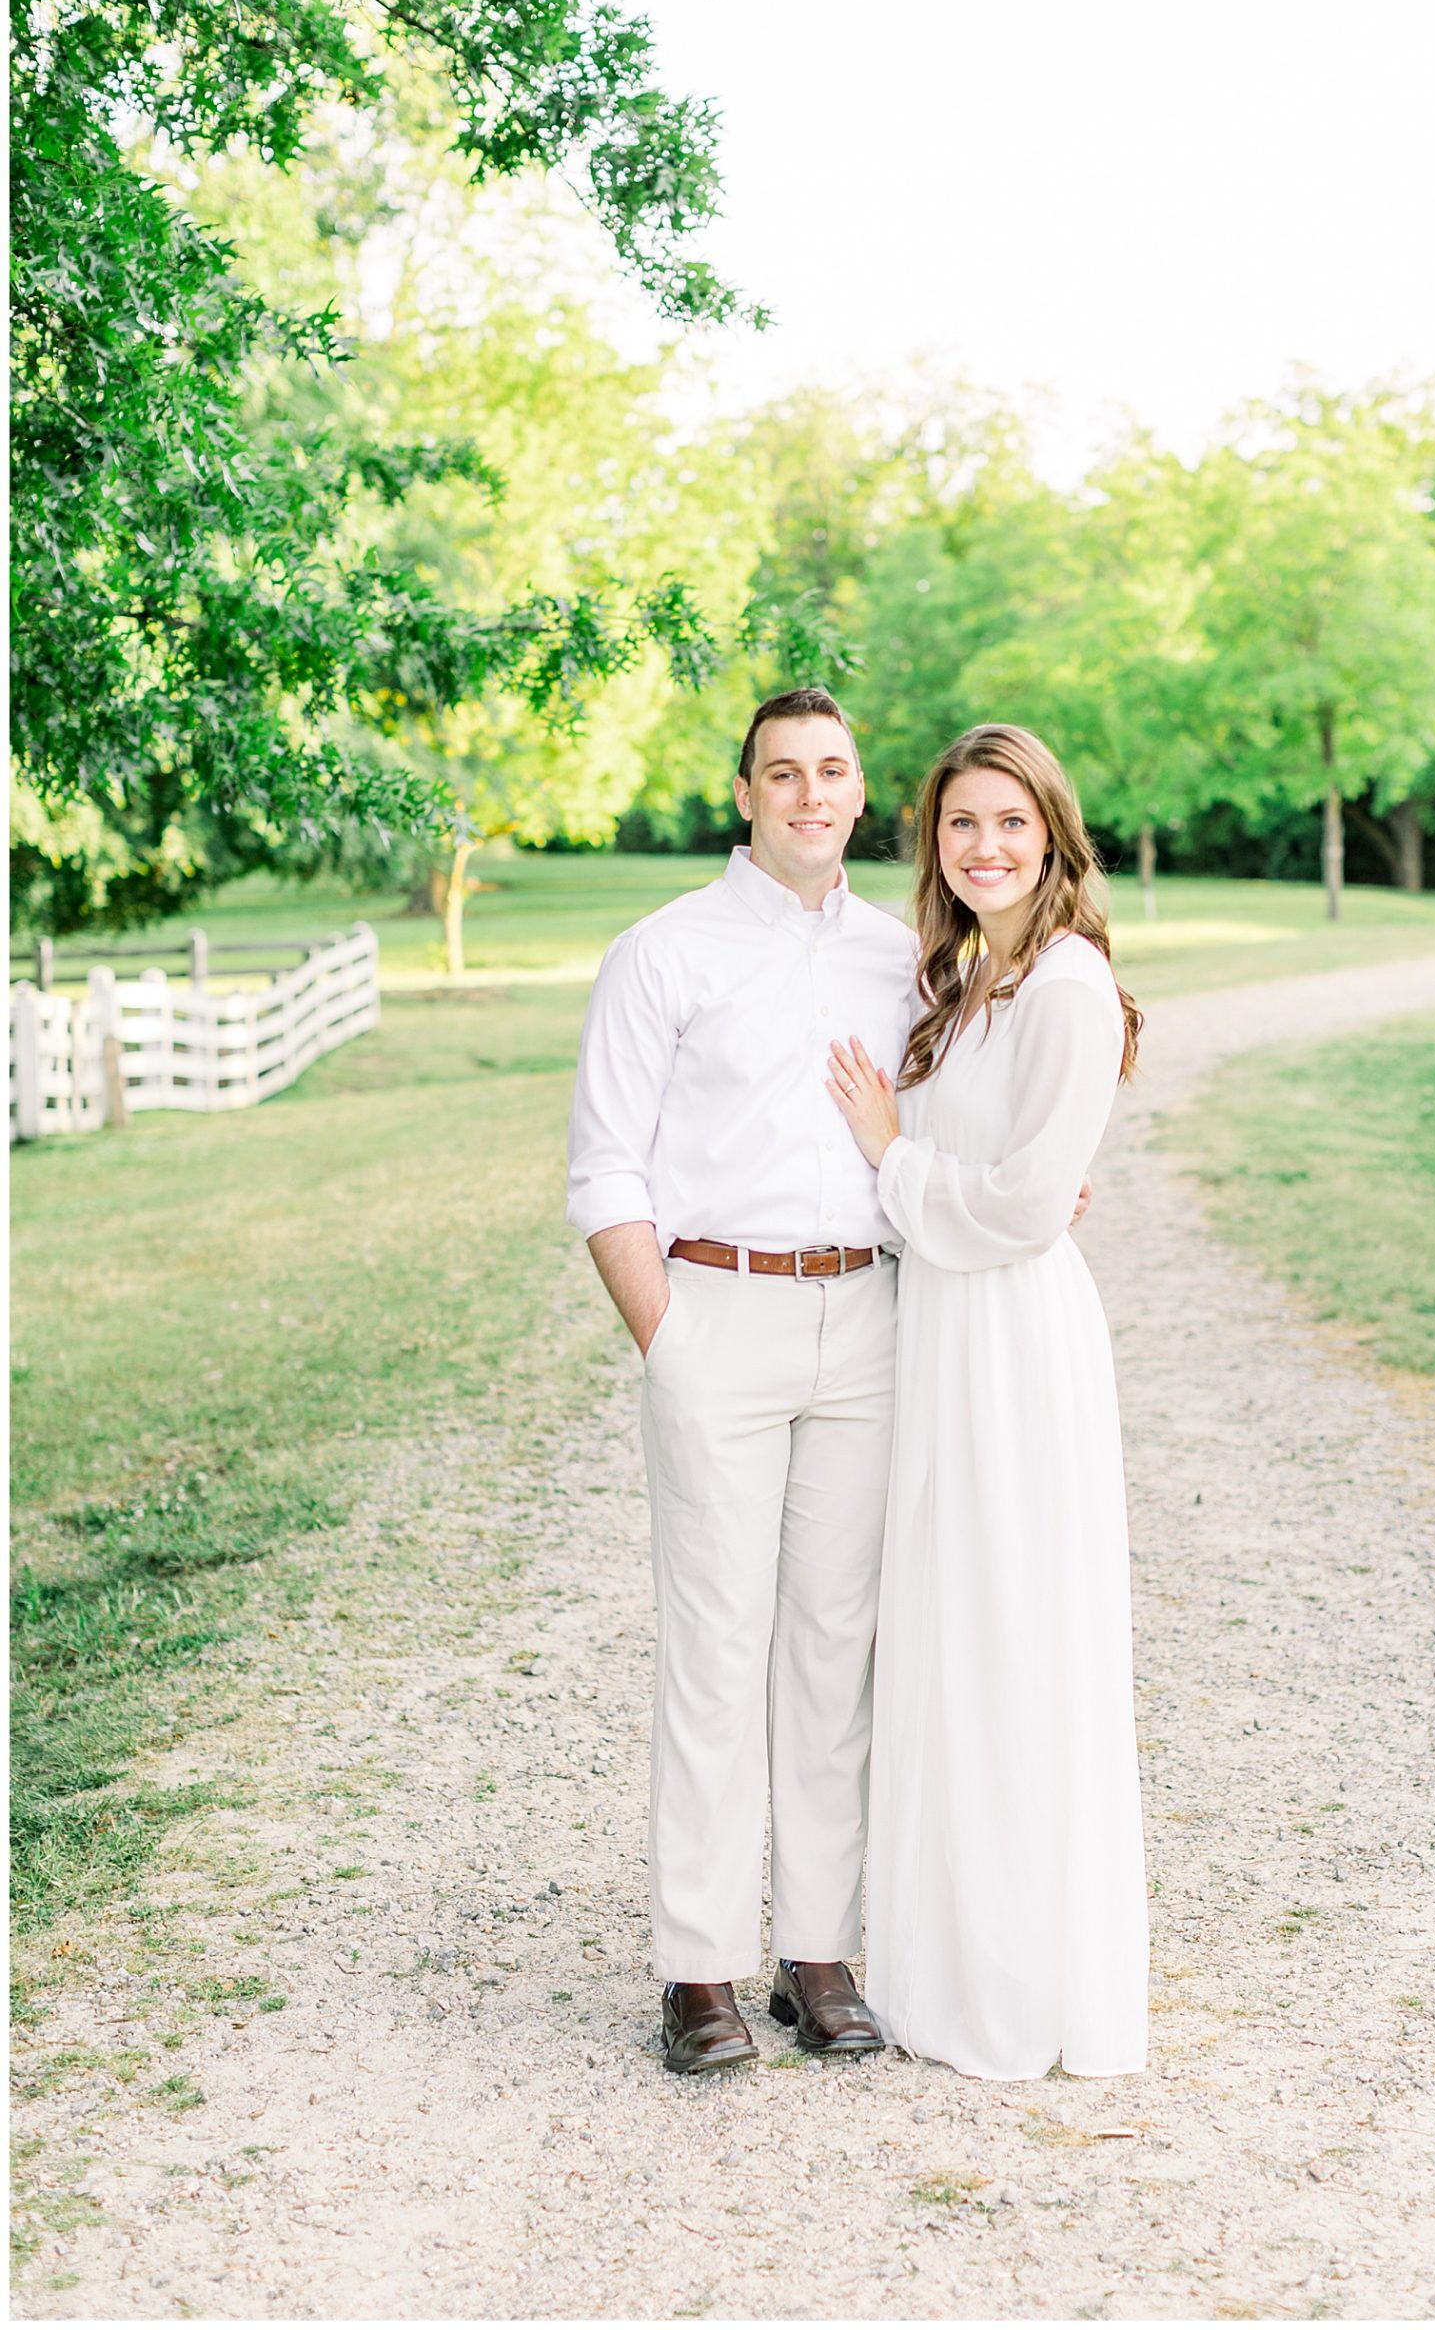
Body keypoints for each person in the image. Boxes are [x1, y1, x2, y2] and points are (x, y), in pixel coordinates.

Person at [565, 687, 919, 2074]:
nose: (810, 795)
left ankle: (817, 1958)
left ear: (860, 790)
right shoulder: (662, 953)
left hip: (868, 1320)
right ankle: (698, 1970)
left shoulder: (903, 956)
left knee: (835, 1648)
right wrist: (671, 1337)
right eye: (784, 773)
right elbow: (606, 1167)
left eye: (833, 770)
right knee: (714, 1647)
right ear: (744, 792)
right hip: (717, 1311)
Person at [826, 722, 1151, 2081]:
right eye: (961, 823)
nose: (985, 846)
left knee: (1010, 1633)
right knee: (945, 1633)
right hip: (942, 1325)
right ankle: (943, 1954)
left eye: (1011, 822)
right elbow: (1003, 1180)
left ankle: (1019, 1980)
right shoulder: (962, 977)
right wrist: (920, 1177)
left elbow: (1022, 1208)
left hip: (1010, 1338)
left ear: (1053, 835)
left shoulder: (1067, 982)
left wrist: (891, 1154)